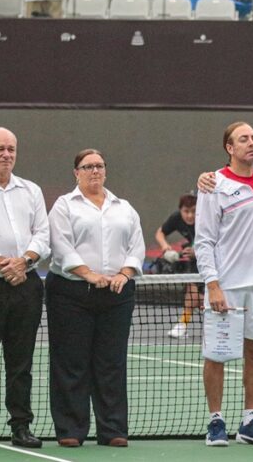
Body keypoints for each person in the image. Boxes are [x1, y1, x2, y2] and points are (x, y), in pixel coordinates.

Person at [47, 149, 144, 447]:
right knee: (71, 362)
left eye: (100, 166)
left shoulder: (124, 208)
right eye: (88, 167)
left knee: (111, 362)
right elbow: (61, 246)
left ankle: (112, 429)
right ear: (76, 172)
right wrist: (89, 275)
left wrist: (124, 274)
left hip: (117, 295)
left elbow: (136, 246)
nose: (95, 171)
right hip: (70, 294)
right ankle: (70, 430)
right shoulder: (64, 206)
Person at [195, 122, 253, 447]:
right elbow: (203, 240)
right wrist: (213, 284)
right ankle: (216, 421)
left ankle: (250, 421)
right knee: (217, 355)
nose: (251, 143)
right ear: (229, 148)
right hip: (227, 284)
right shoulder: (213, 185)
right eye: (243, 139)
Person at [0, 127, 49, 449]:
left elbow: (43, 235)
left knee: (21, 362)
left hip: (27, 287)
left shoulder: (31, 191)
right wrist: (2, 264)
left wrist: (23, 262)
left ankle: (20, 426)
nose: (6, 154)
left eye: (11, 149)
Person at [160, 193, 200, 339]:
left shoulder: (206, 219)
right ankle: (183, 324)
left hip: (218, 262)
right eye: (186, 211)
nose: (190, 216)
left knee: (204, 298)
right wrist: (165, 247)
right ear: (180, 210)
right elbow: (160, 233)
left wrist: (198, 252)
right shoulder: (176, 218)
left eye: (194, 211)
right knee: (192, 292)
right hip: (197, 261)